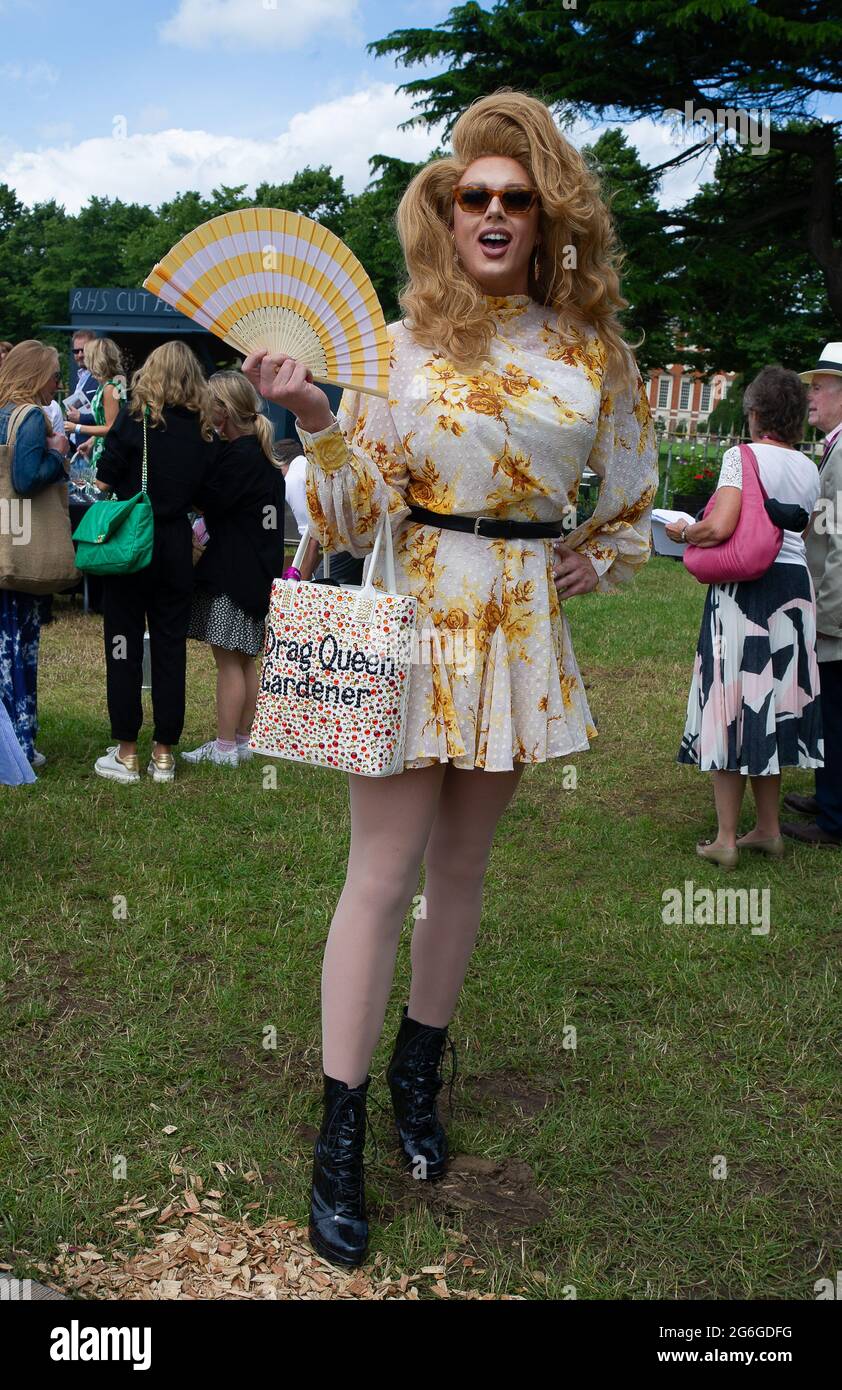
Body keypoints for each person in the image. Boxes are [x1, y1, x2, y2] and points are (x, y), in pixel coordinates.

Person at [244, 90, 657, 1268]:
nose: (491, 212)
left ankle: (415, 1082)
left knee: (461, 870)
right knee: (379, 874)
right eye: (470, 194)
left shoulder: (592, 351)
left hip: (517, 626)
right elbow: (345, 516)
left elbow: (632, 485)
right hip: (409, 611)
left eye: (514, 198)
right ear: (445, 209)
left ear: (546, 216)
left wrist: (599, 554)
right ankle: (338, 1133)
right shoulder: (399, 344)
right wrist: (315, 414)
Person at [669, 366, 822, 866]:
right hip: (794, 589)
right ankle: (769, 830)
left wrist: (683, 531)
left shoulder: (741, 456)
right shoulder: (808, 466)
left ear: (754, 412)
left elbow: (719, 527)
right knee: (772, 705)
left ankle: (726, 839)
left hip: (746, 591)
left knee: (732, 703)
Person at [92, 341, 218, 784]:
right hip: (175, 545)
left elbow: (103, 480)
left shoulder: (134, 420)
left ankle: (127, 751)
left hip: (132, 543)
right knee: (169, 648)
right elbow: (205, 499)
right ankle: (164, 753)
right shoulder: (204, 431)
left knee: (122, 645)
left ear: (152, 373)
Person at [182, 371, 286, 766]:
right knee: (244, 659)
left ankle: (225, 747)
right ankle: (242, 740)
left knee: (228, 662)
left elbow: (209, 501)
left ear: (223, 411)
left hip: (231, 572)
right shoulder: (261, 455)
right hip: (257, 572)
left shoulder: (237, 457)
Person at [781, 342, 842, 846]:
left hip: (837, 613)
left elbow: (840, 545)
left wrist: (828, 616)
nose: (810, 396)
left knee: (837, 715)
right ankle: (829, 798)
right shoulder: (835, 448)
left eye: (820, 387)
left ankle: (835, 819)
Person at [0, 340, 70, 765]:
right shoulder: (27, 416)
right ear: (36, 375)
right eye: (55, 377)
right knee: (16, 649)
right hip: (19, 548)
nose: (57, 386)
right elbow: (25, 480)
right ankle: (18, 745)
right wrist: (57, 455)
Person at [65, 337, 125, 468]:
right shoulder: (106, 385)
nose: (83, 357)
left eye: (87, 355)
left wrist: (76, 428)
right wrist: (91, 442)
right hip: (100, 449)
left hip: (108, 453)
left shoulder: (110, 388)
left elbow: (111, 428)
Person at [272, 438, 321, 581]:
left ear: (279, 463)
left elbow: (310, 535)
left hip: (348, 535)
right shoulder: (305, 465)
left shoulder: (292, 479)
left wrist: (301, 583)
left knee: (322, 579)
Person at [66, 329, 98, 454]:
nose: (80, 355)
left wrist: (81, 417)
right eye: (76, 351)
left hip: (92, 449)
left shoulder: (103, 378)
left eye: (84, 350)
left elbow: (112, 418)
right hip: (75, 448)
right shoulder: (79, 377)